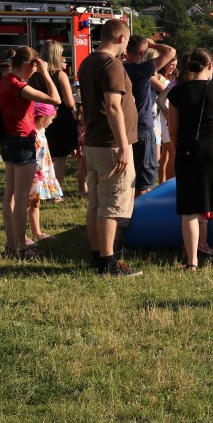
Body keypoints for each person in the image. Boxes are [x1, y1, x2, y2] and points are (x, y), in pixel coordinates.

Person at [77, 18, 141, 276]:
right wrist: (124, 145)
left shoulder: (88, 62)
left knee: (96, 202)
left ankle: (97, 255)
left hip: (94, 141)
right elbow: (113, 105)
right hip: (111, 144)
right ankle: (108, 262)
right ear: (122, 39)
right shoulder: (110, 64)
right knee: (112, 204)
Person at [167, 48, 213, 270]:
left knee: (190, 209)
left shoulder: (177, 93)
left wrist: (177, 152)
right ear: (210, 66)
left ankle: (192, 261)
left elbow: (173, 129)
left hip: (188, 150)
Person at [0, 47, 61, 257]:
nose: (35, 70)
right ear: (27, 65)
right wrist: (45, 73)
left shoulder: (2, 82)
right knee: (22, 196)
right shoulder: (20, 86)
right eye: (34, 66)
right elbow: (56, 99)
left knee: (10, 195)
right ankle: (21, 247)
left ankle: (11, 243)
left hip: (7, 140)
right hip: (23, 141)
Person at [123, 35, 176, 197]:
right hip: (143, 126)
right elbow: (170, 51)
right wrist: (152, 44)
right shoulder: (142, 69)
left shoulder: (118, 68)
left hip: (123, 125)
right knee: (144, 175)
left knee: (129, 172)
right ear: (142, 51)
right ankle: (139, 213)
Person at [28, 40, 77, 189]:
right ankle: (56, 189)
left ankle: (40, 185)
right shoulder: (60, 75)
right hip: (60, 118)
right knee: (60, 157)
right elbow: (69, 102)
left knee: (42, 155)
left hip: (39, 119)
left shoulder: (34, 76)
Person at [28, 103, 63, 242]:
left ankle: (37, 232)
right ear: (43, 118)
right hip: (32, 173)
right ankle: (20, 234)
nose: (52, 121)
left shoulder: (41, 130)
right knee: (25, 204)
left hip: (42, 171)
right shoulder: (32, 133)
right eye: (51, 118)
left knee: (35, 202)